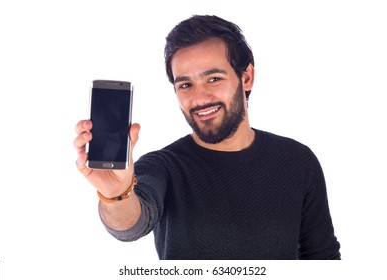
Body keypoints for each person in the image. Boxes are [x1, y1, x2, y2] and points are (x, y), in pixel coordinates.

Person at [74, 15, 341, 260]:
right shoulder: (162, 165)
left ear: (246, 77)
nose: (199, 99)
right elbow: (132, 225)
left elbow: (322, 257)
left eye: (213, 79)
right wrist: (115, 194)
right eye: (185, 85)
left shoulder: (298, 160)